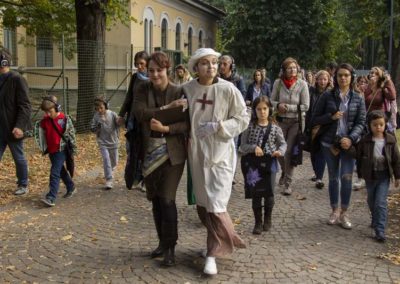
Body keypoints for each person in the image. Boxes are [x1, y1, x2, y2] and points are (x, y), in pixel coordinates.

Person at [183, 48, 249, 275]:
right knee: (203, 204)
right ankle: (221, 241)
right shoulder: (188, 89)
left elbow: (243, 118)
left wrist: (219, 127)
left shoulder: (228, 89)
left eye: (214, 62)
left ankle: (213, 252)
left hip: (220, 153)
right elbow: (179, 115)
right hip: (197, 153)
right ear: (196, 67)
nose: (211, 67)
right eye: (205, 63)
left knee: (216, 203)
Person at [133, 51, 188, 267]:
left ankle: (171, 248)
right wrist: (166, 109)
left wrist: (165, 126)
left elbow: (185, 124)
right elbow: (139, 113)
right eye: (151, 70)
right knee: (155, 199)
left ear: (168, 69)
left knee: (167, 199)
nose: (155, 74)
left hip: (173, 153)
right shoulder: (141, 88)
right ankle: (161, 243)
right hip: (149, 150)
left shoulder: (179, 90)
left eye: (159, 70)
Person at [312, 63, 366, 229]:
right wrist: (331, 116)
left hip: (348, 144)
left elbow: (361, 122)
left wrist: (351, 138)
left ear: (352, 78)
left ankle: (344, 212)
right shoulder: (327, 96)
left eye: (346, 75)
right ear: (335, 78)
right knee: (334, 177)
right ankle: (334, 210)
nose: (343, 78)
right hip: (329, 143)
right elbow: (315, 118)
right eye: (340, 75)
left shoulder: (358, 97)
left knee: (347, 177)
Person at [239, 95, 286, 234]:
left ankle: (268, 218)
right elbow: (242, 146)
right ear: (254, 111)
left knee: (269, 192)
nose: (262, 112)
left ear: (269, 109)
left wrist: (280, 151)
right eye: (259, 109)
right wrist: (253, 148)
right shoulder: (249, 127)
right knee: (256, 194)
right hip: (254, 164)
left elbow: (283, 143)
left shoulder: (275, 128)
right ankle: (258, 222)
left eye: (265, 108)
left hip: (270, 163)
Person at [356, 110, 400, 242]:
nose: (378, 127)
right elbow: (359, 158)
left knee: (380, 202)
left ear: (385, 124)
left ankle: (380, 230)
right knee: (371, 200)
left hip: (384, 176)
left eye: (381, 124)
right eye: (375, 125)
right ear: (369, 125)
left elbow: (396, 160)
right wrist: (360, 174)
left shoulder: (391, 140)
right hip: (370, 176)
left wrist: (397, 177)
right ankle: (375, 219)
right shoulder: (365, 141)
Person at [270, 57, 309, 195]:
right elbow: (271, 100)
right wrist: (278, 105)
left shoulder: (302, 84)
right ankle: (284, 171)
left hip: (296, 122)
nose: (292, 70)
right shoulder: (278, 83)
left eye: (294, 67)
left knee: (289, 151)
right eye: (289, 68)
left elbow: (306, 106)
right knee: (278, 150)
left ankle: (288, 183)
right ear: (284, 70)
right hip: (280, 121)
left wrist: (290, 108)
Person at [34, 96, 77, 207]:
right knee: (61, 171)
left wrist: (73, 150)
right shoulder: (45, 121)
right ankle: (71, 186)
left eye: (50, 111)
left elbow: (71, 134)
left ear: (57, 108)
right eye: (46, 112)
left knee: (54, 172)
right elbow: (38, 132)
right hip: (51, 150)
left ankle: (51, 197)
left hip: (61, 150)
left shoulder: (64, 119)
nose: (48, 114)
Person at [0, 48, 31, 195]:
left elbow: (25, 105)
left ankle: (23, 184)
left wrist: (19, 126)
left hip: (13, 128)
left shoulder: (17, 79)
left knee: (18, 157)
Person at [118, 50, 149, 191]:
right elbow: (129, 97)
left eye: (141, 64)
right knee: (133, 150)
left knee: (146, 149)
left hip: (147, 120)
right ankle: (135, 177)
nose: (139, 67)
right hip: (134, 120)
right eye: (137, 64)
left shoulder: (153, 77)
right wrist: (121, 114)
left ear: (147, 63)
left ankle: (145, 179)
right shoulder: (135, 77)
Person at [305, 70, 330, 189]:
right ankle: (317, 172)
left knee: (321, 152)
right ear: (317, 80)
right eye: (321, 79)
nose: (322, 82)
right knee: (313, 151)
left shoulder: (330, 93)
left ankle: (319, 177)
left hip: (324, 126)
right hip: (312, 124)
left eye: (325, 79)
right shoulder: (311, 91)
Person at [90, 96, 120, 189]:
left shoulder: (113, 114)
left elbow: (119, 124)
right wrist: (99, 124)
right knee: (106, 160)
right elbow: (92, 128)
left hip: (113, 142)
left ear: (106, 106)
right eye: (97, 109)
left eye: (101, 108)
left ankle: (110, 170)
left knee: (114, 162)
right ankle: (109, 180)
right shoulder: (96, 116)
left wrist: (121, 120)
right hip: (102, 142)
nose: (99, 110)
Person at [364, 67, 397, 133]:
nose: (373, 74)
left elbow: (392, 97)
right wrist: (370, 84)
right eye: (371, 73)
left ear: (380, 77)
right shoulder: (366, 87)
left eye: (376, 73)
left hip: (379, 119)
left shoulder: (382, 89)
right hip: (368, 119)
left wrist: (388, 81)